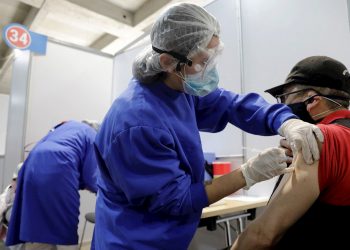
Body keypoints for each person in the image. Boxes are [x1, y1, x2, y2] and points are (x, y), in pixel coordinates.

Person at [93, 4, 323, 249]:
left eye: (213, 57)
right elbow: (175, 201)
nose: (210, 70)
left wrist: (285, 120)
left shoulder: (178, 88)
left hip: (170, 235)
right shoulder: (137, 123)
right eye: (203, 62)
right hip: (134, 241)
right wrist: (248, 173)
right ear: (168, 61)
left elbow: (231, 105)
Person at [231, 55, 350, 250]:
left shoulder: (317, 140)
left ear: (312, 100)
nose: (284, 106)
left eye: (286, 97)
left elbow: (262, 235)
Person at [6, 120, 100, 250]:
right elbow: (93, 178)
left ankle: (37, 245)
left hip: (31, 163)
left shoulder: (67, 126)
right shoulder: (93, 135)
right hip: (59, 164)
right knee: (65, 222)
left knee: (35, 217)